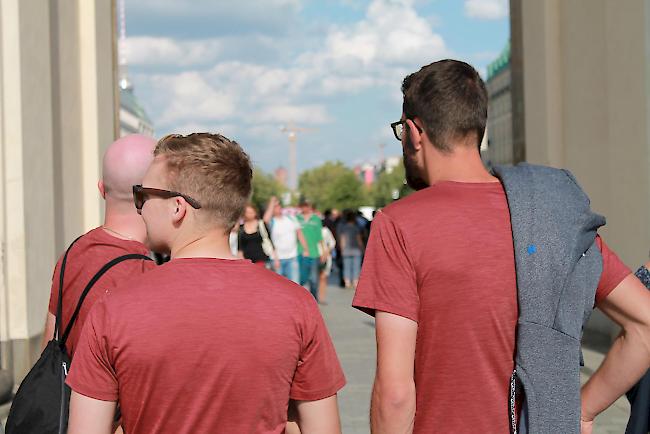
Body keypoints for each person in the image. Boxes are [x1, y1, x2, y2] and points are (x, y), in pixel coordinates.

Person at [352, 59, 650, 434]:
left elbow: (395, 395)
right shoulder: (552, 218)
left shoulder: (398, 224)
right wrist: (583, 410)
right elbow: (645, 324)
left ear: (414, 132)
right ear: (476, 127)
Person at [66, 133, 345, 434]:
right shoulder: (296, 305)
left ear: (177, 207)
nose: (140, 207)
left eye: (143, 195)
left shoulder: (114, 309)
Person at [41, 134, 157, 358]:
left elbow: (49, 345)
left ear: (102, 190)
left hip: (64, 391)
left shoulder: (72, 253)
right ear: (151, 197)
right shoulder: (147, 275)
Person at [263, 196, 308, 283]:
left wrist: (305, 249)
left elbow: (300, 234)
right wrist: (272, 203)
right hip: (277, 259)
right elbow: (265, 220)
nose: (278, 207)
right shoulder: (271, 221)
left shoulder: (291, 219)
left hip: (292, 258)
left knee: (295, 285)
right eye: (275, 206)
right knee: (278, 287)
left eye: (279, 205)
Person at [297, 200, 326, 301]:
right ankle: (300, 299)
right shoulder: (297, 218)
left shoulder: (316, 219)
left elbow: (320, 237)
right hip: (300, 252)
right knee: (301, 278)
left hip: (314, 253)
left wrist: (323, 252)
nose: (305, 208)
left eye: (307, 206)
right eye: (303, 206)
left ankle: (314, 299)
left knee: (314, 279)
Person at [238, 203, 279, 269]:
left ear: (255, 213)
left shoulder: (261, 225)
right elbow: (240, 248)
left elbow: (269, 240)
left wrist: (276, 259)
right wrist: (241, 263)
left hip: (263, 261)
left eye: (251, 212)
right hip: (248, 263)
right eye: (247, 212)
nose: (250, 214)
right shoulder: (241, 228)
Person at [339, 210, 364, 289]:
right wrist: (362, 248)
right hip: (356, 250)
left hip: (346, 250)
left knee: (346, 266)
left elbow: (342, 239)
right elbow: (359, 239)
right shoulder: (356, 228)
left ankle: (347, 282)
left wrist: (342, 249)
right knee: (356, 266)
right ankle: (355, 282)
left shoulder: (344, 228)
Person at [318, 224, 336, 304]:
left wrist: (326, 252)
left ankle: (322, 298)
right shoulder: (308, 229)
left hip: (325, 256)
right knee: (314, 279)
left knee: (323, 277)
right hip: (313, 256)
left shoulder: (325, 230)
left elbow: (332, 242)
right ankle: (314, 296)